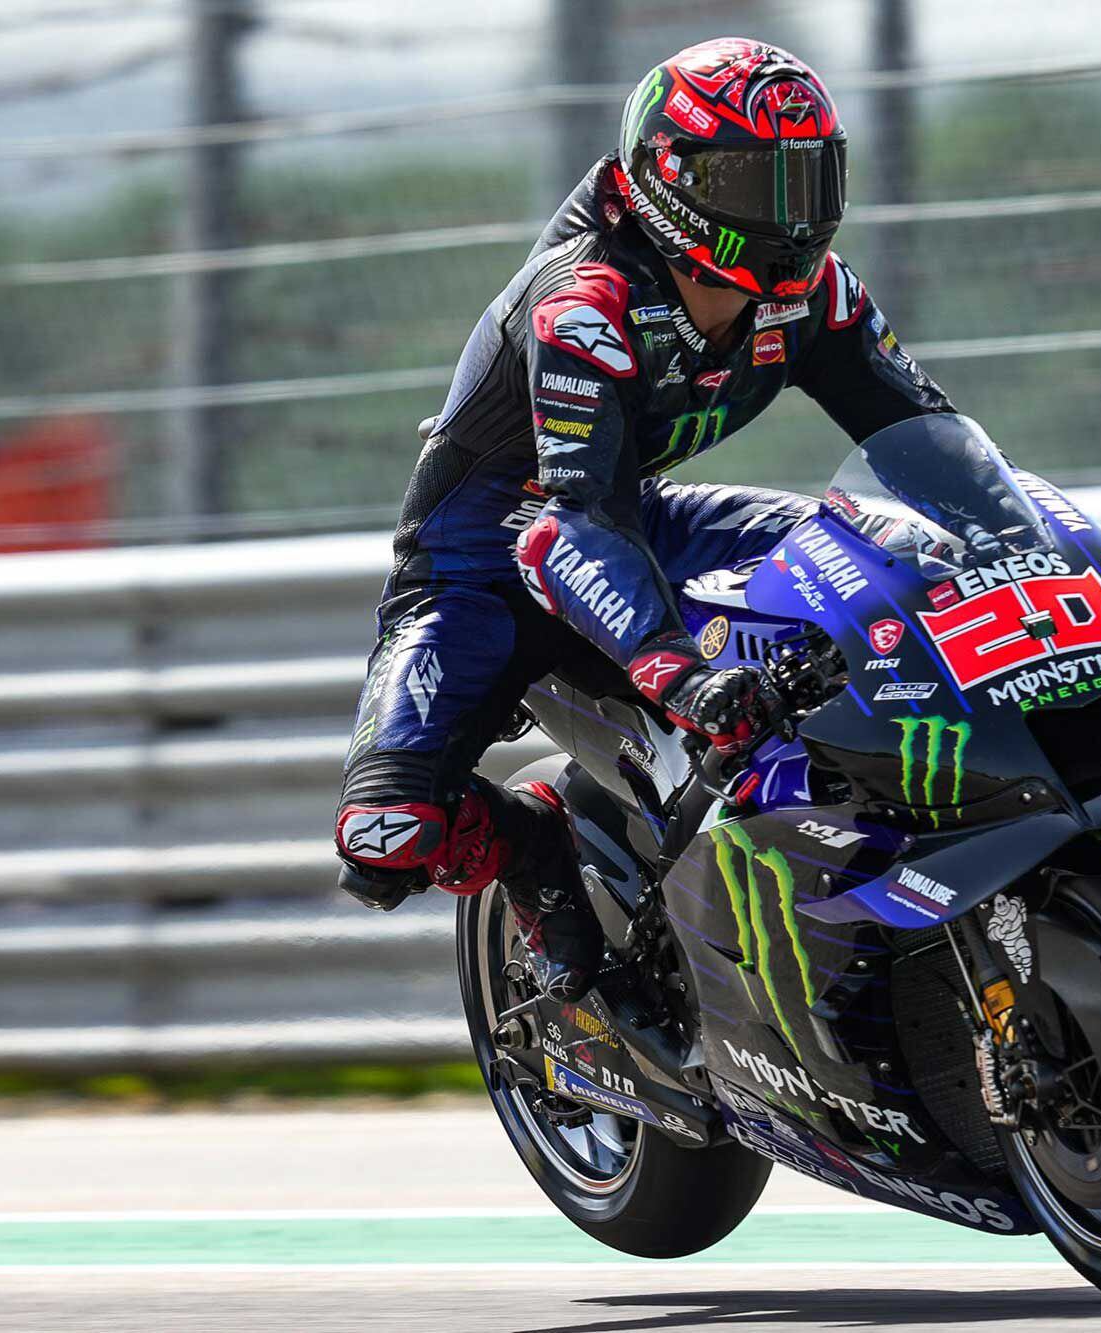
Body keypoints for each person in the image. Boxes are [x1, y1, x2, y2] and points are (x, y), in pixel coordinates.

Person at [333, 37, 956, 999]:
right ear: (671, 181)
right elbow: (564, 525)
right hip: (483, 564)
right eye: (755, 181)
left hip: (637, 522)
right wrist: (680, 671)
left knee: (904, 550)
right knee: (382, 836)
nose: (789, 216)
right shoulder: (584, 303)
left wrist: (1033, 544)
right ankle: (534, 848)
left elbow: (927, 434)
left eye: (807, 179)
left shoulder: (816, 296)